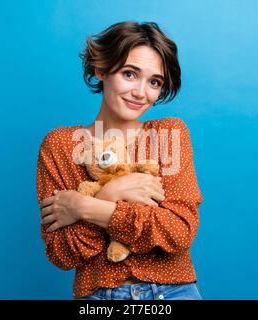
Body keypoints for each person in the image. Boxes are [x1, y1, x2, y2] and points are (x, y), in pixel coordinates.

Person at [36, 21, 203, 300]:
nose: (141, 92)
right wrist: (111, 192)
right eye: (129, 74)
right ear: (101, 69)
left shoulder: (170, 133)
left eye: (154, 82)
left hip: (174, 293)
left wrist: (84, 205)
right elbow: (63, 252)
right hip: (97, 299)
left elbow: (178, 230)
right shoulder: (61, 145)